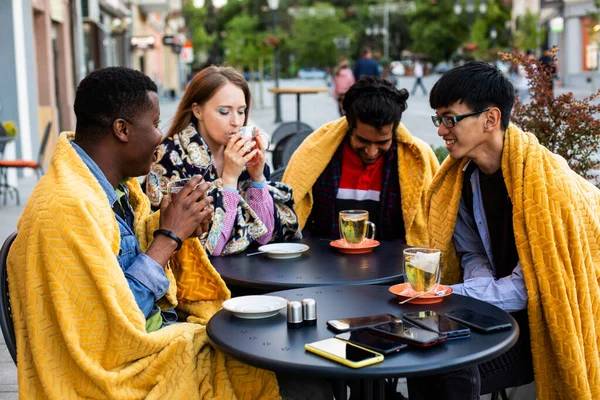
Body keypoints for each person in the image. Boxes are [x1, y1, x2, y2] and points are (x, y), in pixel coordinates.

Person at [6, 67, 331, 399]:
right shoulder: (67, 207)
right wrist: (169, 236)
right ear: (122, 129)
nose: (160, 136)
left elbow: (262, 235)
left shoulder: (115, 191)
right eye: (155, 124)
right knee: (304, 385)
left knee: (297, 363)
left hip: (161, 338)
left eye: (241, 111)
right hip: (128, 370)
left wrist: (174, 226)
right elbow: (107, 332)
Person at [414, 61, 600, 399]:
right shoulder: (464, 180)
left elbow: (536, 287)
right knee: (421, 348)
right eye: (438, 119)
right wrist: (473, 290)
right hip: (501, 313)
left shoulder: (547, 184)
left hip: (550, 321)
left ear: (491, 119)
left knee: (453, 366)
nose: (441, 130)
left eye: (450, 118)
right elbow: (472, 252)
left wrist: (448, 295)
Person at [146, 66, 301, 256]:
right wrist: (229, 179)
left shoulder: (243, 154)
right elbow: (209, 248)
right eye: (224, 112)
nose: (236, 121)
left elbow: (266, 236)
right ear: (197, 111)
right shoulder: (170, 156)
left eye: (241, 111)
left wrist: (258, 177)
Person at [283, 77, 439, 244]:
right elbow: (297, 221)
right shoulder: (316, 156)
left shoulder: (418, 159)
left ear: (394, 130)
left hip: (395, 266)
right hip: (324, 263)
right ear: (349, 126)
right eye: (363, 141)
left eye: (382, 142)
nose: (371, 152)